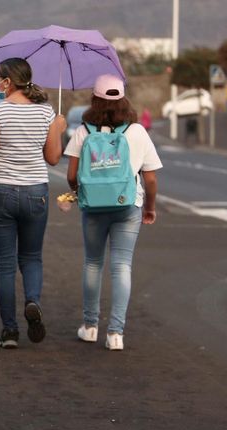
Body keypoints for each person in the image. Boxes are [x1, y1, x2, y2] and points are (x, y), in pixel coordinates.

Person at [0, 57, 67, 349]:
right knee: (31, 257)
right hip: (35, 192)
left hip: (1, 192)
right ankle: (32, 300)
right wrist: (57, 128)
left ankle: (9, 331)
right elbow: (53, 158)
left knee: (5, 264)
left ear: (8, 81)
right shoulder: (46, 112)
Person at [64, 74, 162, 351]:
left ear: (94, 99)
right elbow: (151, 179)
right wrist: (150, 207)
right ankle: (116, 333)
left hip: (93, 208)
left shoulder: (84, 131)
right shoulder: (137, 132)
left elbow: (71, 175)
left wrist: (79, 192)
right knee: (122, 266)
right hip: (128, 205)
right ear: (123, 99)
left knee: (93, 263)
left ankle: (90, 327)